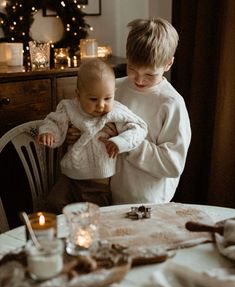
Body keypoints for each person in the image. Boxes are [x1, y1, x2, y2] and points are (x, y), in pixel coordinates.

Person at [68, 18, 191, 204]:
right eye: (132, 68)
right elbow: (88, 120)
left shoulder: (172, 103)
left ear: (168, 64)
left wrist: (125, 141)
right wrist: (75, 132)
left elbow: (172, 164)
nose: (139, 80)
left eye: (150, 75)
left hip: (148, 202)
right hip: (104, 194)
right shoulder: (112, 89)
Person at [37, 58, 147, 213]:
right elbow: (54, 121)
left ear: (113, 93)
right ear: (78, 94)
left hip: (98, 183)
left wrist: (120, 141)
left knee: (96, 218)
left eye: (107, 98)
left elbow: (139, 128)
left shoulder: (115, 111)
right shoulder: (69, 108)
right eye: (93, 99)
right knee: (53, 204)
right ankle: (57, 235)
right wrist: (49, 133)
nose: (101, 105)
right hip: (69, 178)